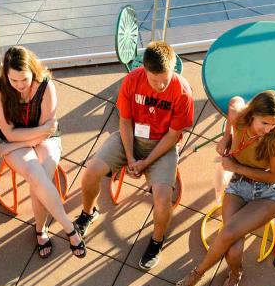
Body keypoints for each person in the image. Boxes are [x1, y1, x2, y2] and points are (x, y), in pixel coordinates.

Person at [73, 41, 194, 270]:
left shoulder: (183, 92)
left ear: (172, 70)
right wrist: (130, 158)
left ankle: (157, 241)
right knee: (91, 171)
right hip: (130, 138)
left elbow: (172, 136)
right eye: (154, 79)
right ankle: (88, 214)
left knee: (162, 198)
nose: (160, 86)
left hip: (162, 146)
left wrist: (146, 162)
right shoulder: (132, 80)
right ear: (144, 70)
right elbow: (125, 121)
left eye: (165, 80)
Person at [173, 90, 275, 286]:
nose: (269, 129)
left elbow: (274, 176)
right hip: (239, 186)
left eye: (273, 124)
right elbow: (234, 100)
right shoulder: (239, 119)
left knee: (229, 232)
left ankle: (197, 273)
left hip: (267, 193)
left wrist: (236, 167)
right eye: (264, 123)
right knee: (233, 253)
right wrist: (226, 137)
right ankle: (236, 273)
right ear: (252, 114)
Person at [0, 46, 86, 259]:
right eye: (13, 81)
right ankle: (69, 228)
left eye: (24, 79)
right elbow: (9, 132)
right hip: (19, 139)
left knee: (38, 180)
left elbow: (46, 134)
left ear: (33, 71)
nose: (19, 86)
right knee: (37, 176)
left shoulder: (46, 86)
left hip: (41, 140)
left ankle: (41, 229)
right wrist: (21, 138)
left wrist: (11, 146)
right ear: (6, 76)